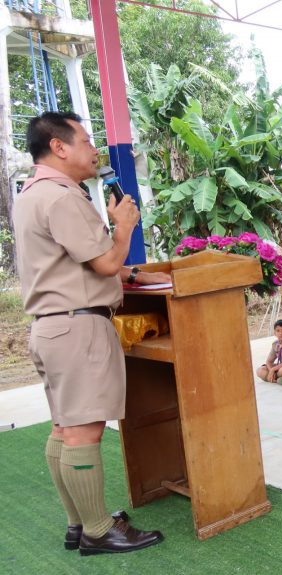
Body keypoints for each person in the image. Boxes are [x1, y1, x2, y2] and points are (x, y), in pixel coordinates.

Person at [14, 112, 165, 553]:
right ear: (58, 147)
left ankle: (78, 522)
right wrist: (124, 226)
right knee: (83, 433)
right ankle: (99, 532)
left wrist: (132, 273)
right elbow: (104, 262)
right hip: (78, 327)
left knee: (64, 428)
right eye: (84, 140)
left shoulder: (31, 193)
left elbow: (72, 263)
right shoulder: (62, 197)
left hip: (51, 327)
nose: (93, 149)